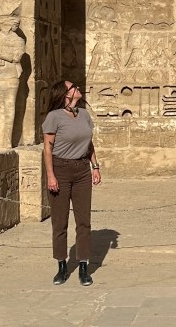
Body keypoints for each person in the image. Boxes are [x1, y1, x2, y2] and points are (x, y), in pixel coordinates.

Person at [42, 80, 101, 285]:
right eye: (73, 86)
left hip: (82, 168)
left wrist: (95, 167)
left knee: (84, 220)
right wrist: (51, 175)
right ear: (65, 94)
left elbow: (89, 143)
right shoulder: (54, 117)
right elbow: (47, 149)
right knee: (60, 222)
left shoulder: (84, 114)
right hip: (60, 168)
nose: (78, 88)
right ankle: (61, 265)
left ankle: (83, 266)